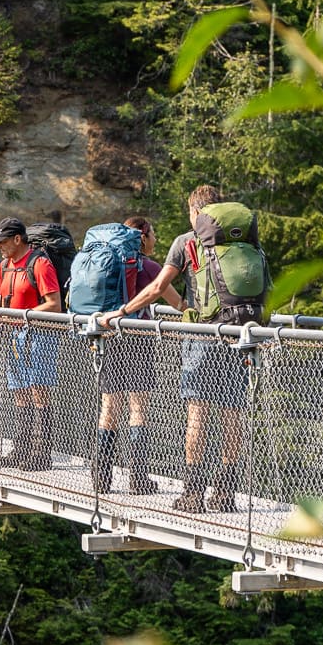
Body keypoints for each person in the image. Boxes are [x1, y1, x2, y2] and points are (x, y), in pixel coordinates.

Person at [106, 184, 247, 513]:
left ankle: (192, 494)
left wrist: (123, 312)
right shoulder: (242, 242)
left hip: (200, 339)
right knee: (232, 417)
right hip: (237, 336)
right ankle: (226, 494)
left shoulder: (187, 242)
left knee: (197, 416)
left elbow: (158, 287)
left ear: (195, 212)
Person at [93, 215, 183, 495]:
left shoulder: (109, 263)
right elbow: (177, 303)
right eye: (153, 234)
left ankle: (101, 477)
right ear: (143, 237)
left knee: (109, 409)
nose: (155, 240)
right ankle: (138, 478)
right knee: (138, 410)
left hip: (109, 337)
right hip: (138, 341)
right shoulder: (150, 267)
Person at [0, 215, 62, 471]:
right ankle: (21, 450)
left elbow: (55, 304)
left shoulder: (39, 264)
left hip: (39, 336)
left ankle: (41, 453)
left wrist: (23, 318)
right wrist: (1, 317)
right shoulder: (5, 266)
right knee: (20, 391)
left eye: (3, 241)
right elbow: (4, 300)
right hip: (12, 336)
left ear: (17, 239)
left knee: (38, 391)